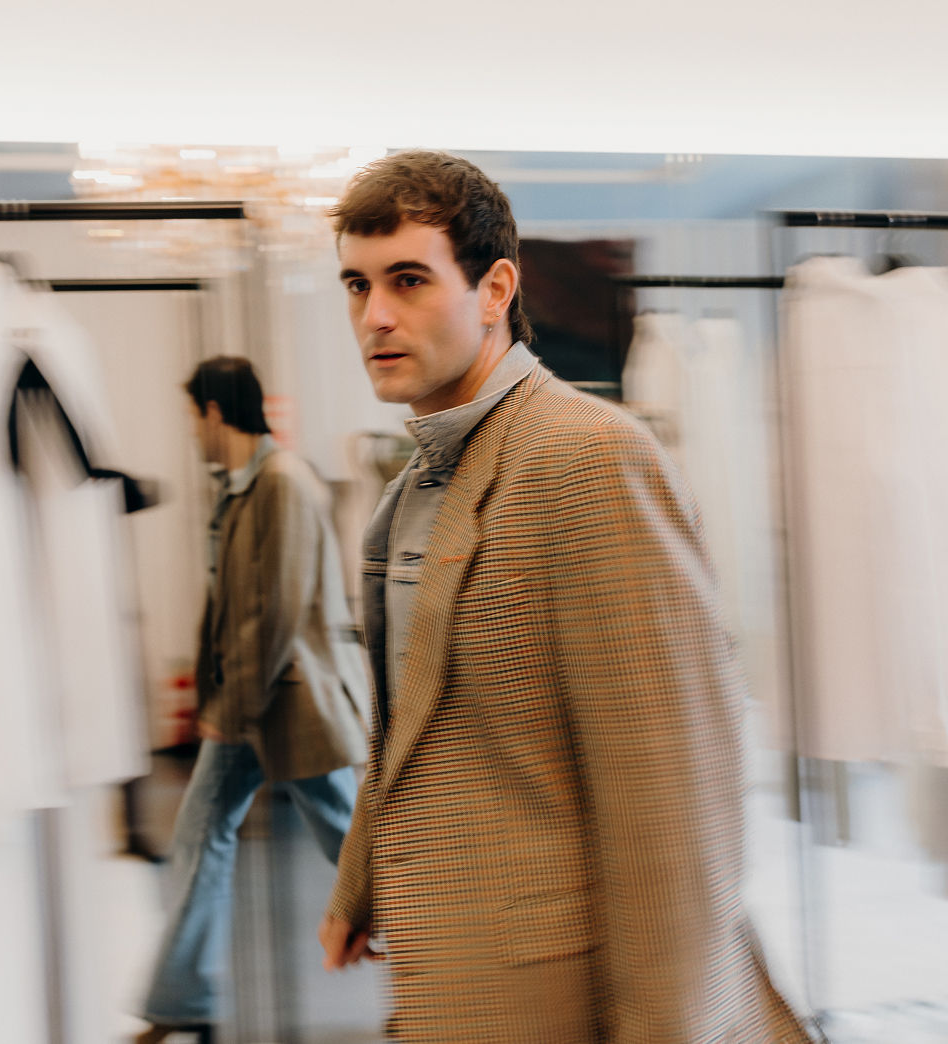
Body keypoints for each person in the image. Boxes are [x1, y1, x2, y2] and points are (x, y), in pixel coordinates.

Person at [317, 152, 810, 1044]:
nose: (374, 316)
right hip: (451, 964)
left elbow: (674, 801)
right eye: (357, 284)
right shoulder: (418, 483)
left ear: (495, 288)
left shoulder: (587, 460)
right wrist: (362, 880)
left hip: (558, 990)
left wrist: (667, 1028)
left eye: (409, 280)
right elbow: (410, 718)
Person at [138, 356, 369, 1044]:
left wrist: (228, 709)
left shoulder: (283, 483)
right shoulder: (242, 487)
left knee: (358, 856)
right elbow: (230, 606)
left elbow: (275, 612)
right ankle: (180, 1001)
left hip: (288, 706)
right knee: (199, 837)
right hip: (257, 706)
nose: (191, 433)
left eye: (191, 418)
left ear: (212, 412)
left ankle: (443, 966)